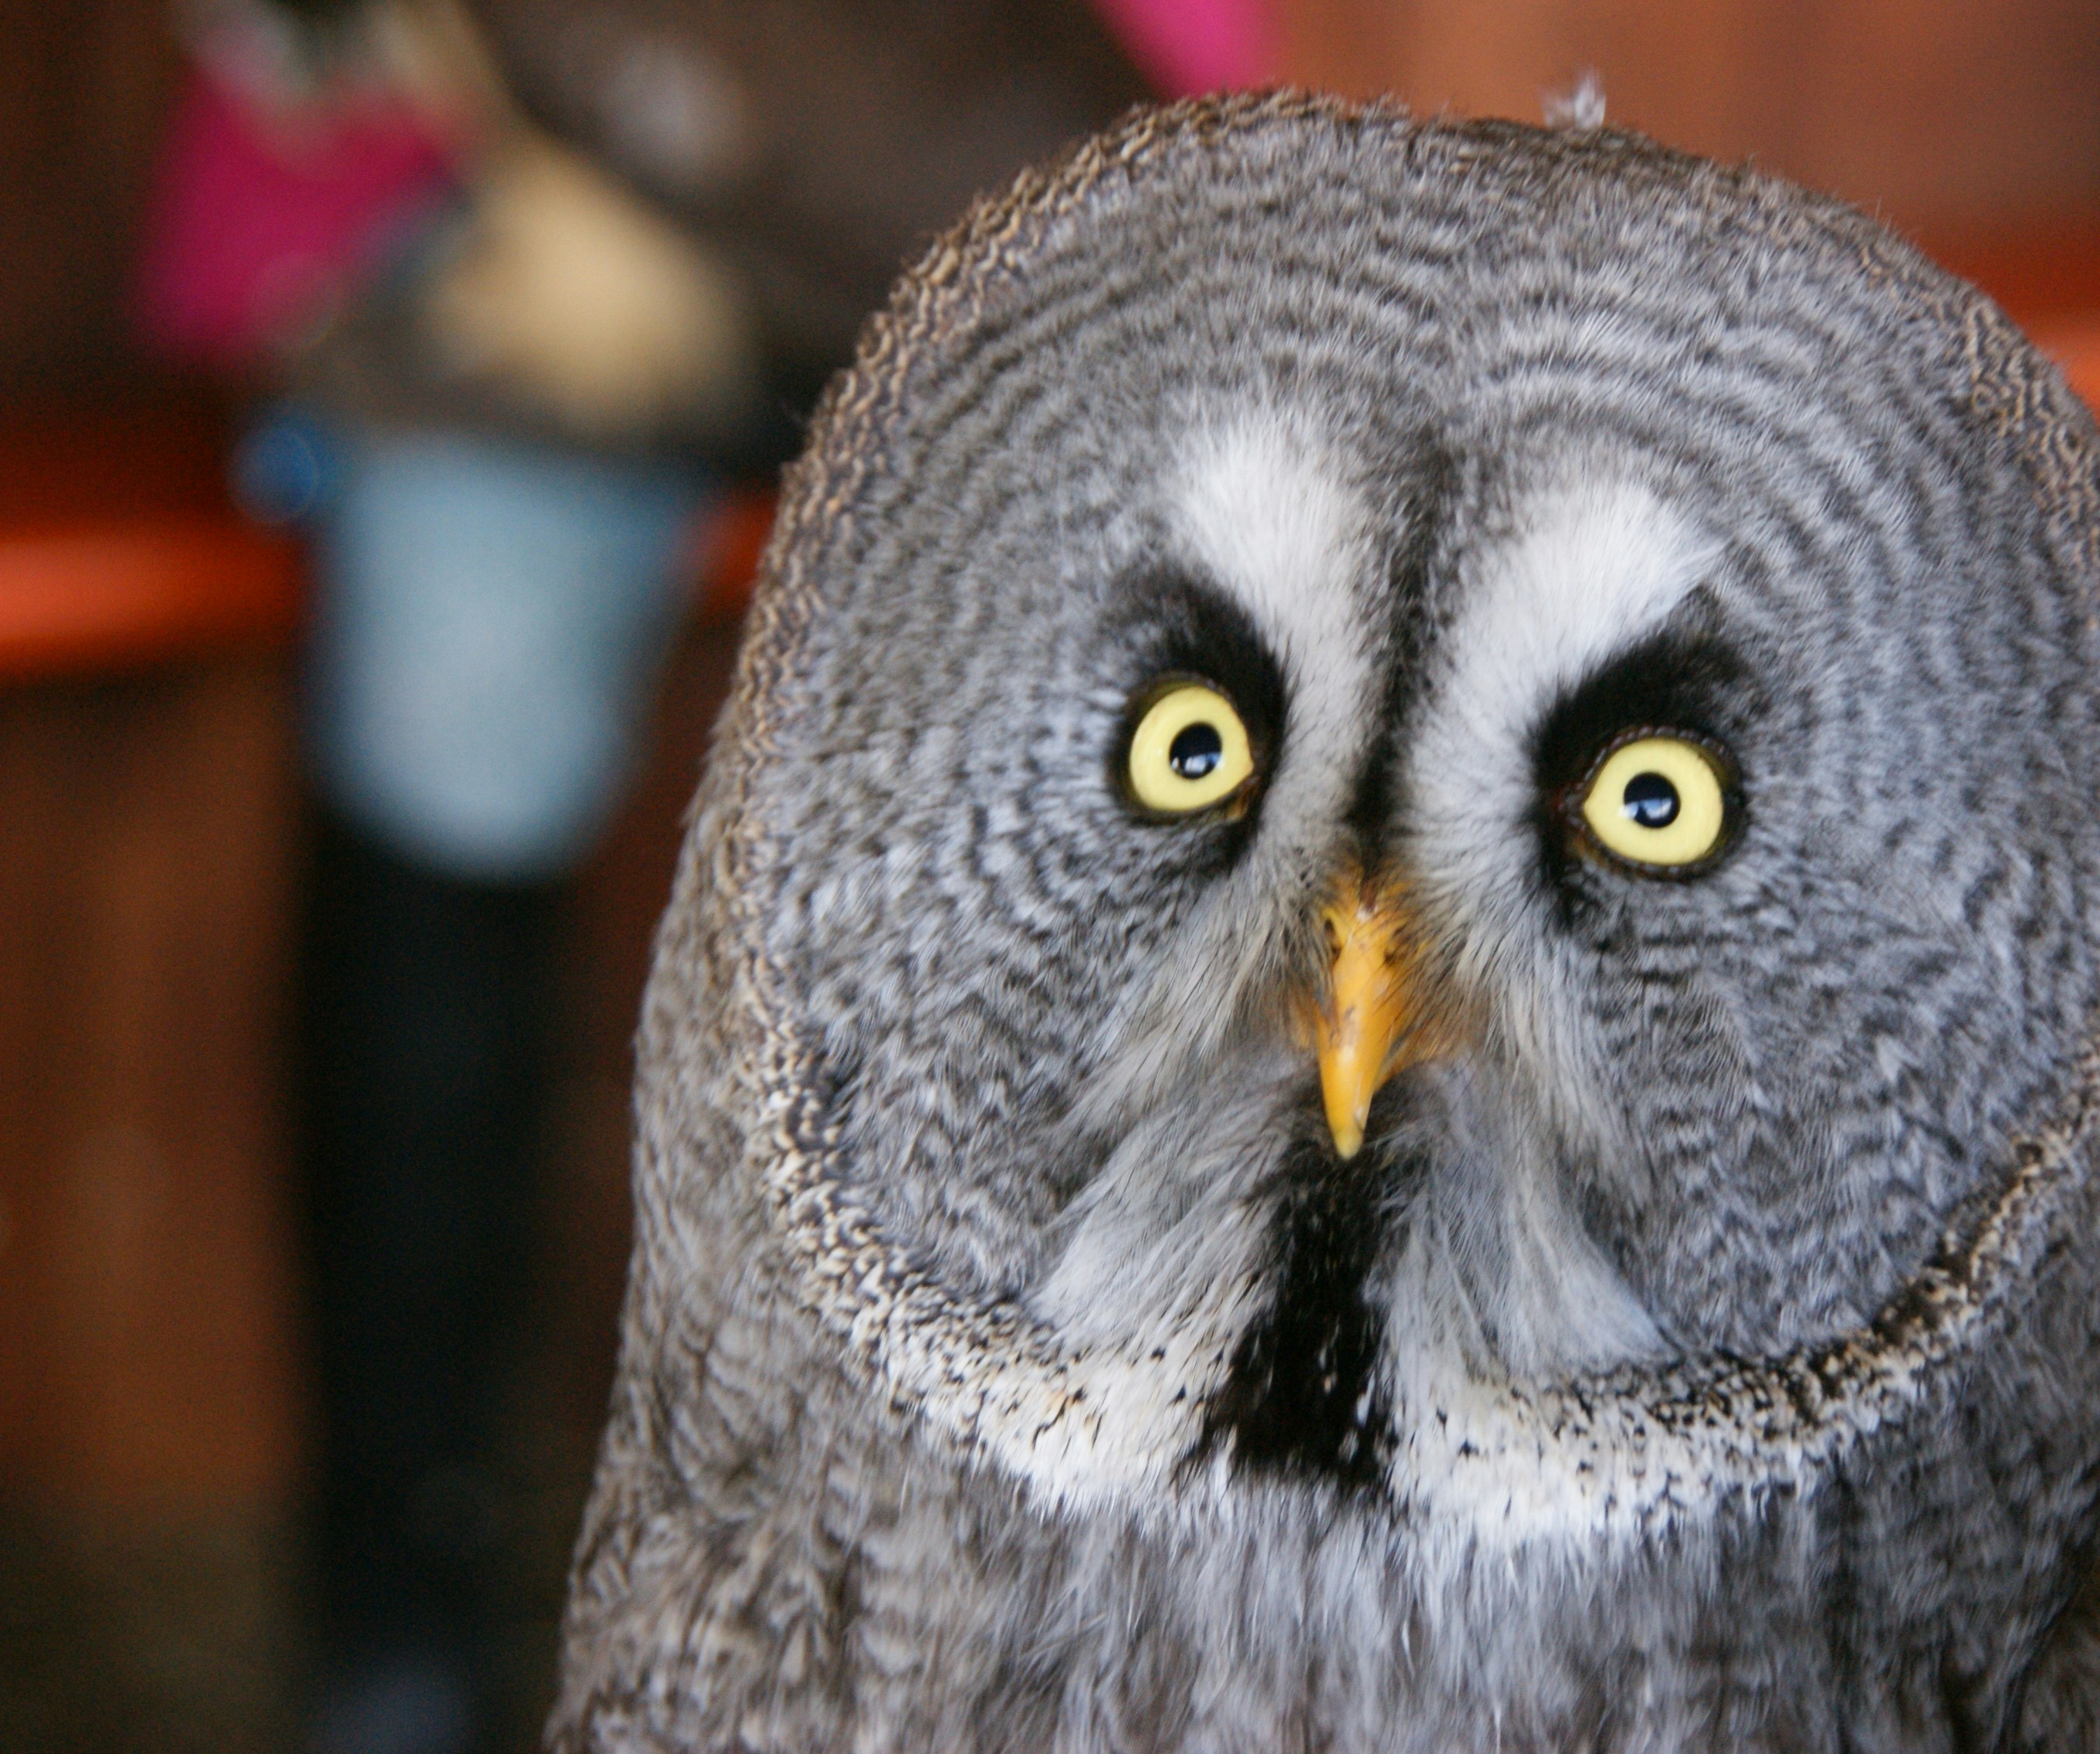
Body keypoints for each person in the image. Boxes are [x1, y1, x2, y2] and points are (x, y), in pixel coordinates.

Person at [133, 4, 1264, 1747]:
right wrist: (538, 165)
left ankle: (1002, 1618)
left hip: (990, 219)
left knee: (1106, 755)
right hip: (492, 209)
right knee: (462, 656)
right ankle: (399, 1621)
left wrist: (718, 233)